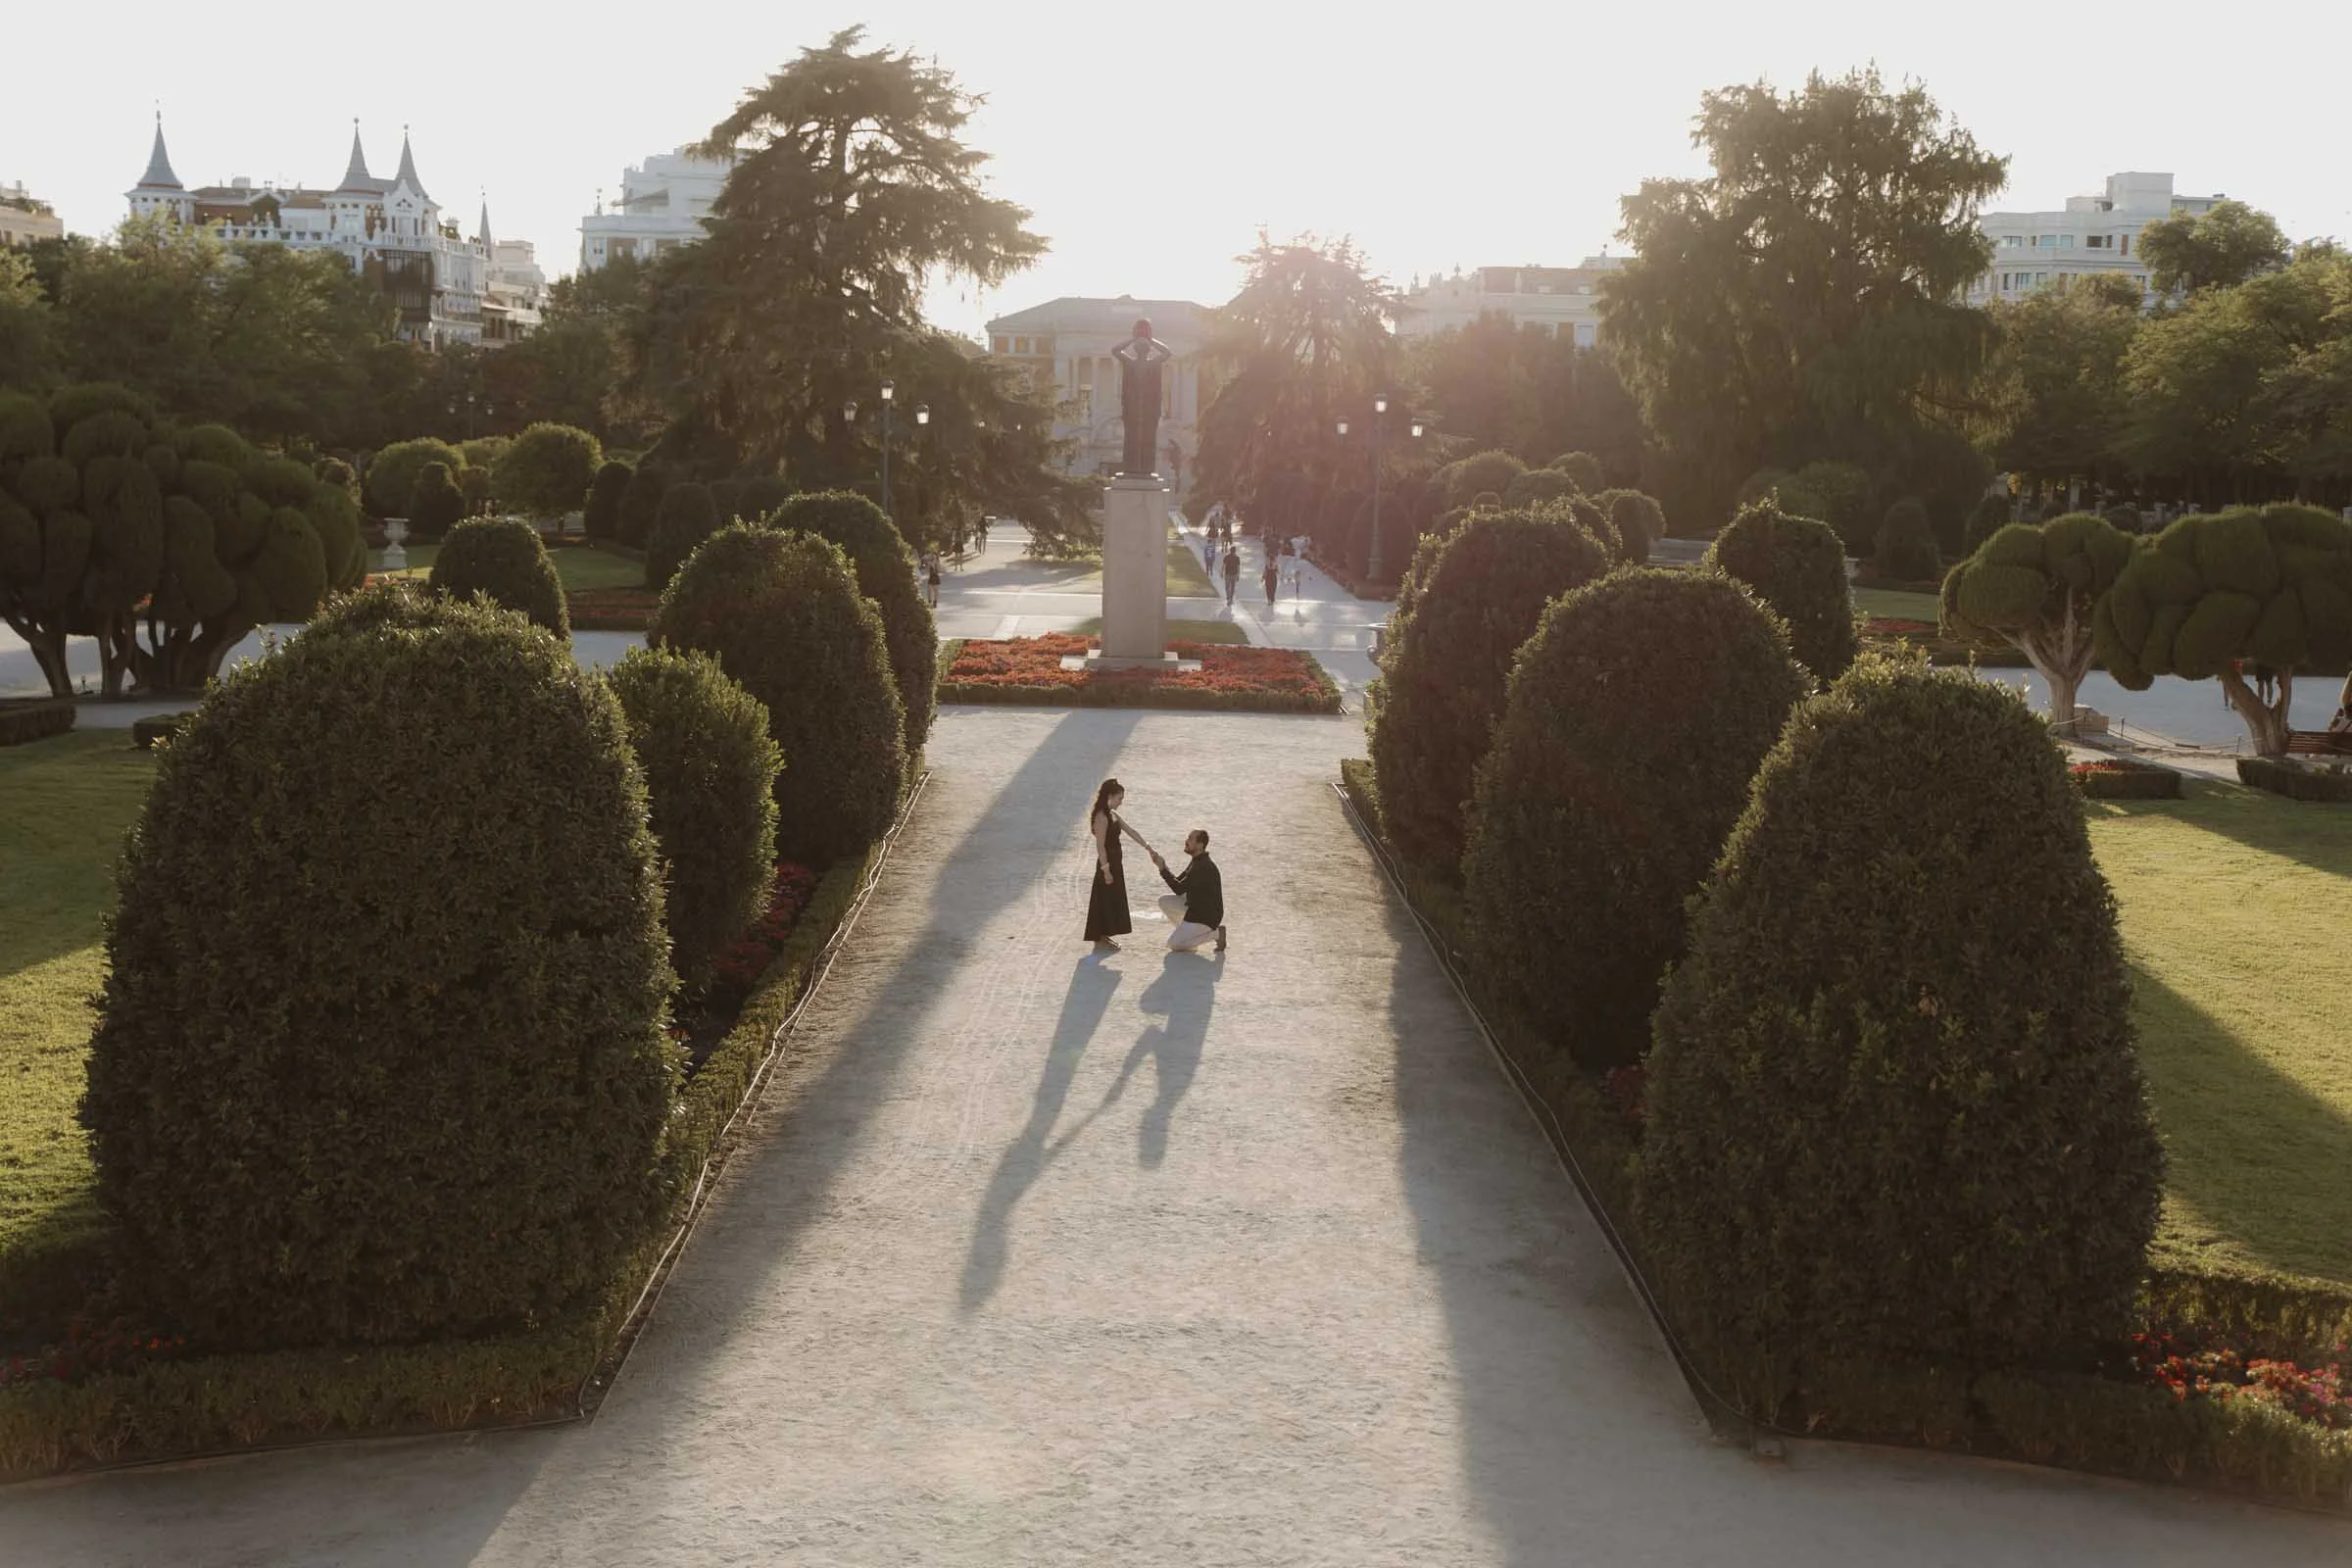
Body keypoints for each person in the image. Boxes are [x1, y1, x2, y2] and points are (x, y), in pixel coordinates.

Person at [1085, 778, 1152, 954]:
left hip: (1116, 864)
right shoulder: (1101, 816)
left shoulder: (1113, 814)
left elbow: (1130, 831)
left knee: (1111, 899)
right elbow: (1100, 845)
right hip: (1107, 865)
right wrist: (1106, 870)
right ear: (1110, 796)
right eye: (1119, 798)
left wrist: (1147, 847)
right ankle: (1100, 938)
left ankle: (1103, 936)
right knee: (1105, 900)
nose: (1121, 802)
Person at [1152, 829, 1225, 953]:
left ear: (1200, 845)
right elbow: (1179, 882)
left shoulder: (1203, 866)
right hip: (1196, 908)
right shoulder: (1197, 860)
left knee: (1173, 944)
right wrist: (1163, 866)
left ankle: (1217, 934)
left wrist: (1162, 868)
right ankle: (1188, 936)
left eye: (1190, 839)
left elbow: (1179, 889)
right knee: (1164, 901)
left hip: (1206, 917)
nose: (1186, 841)